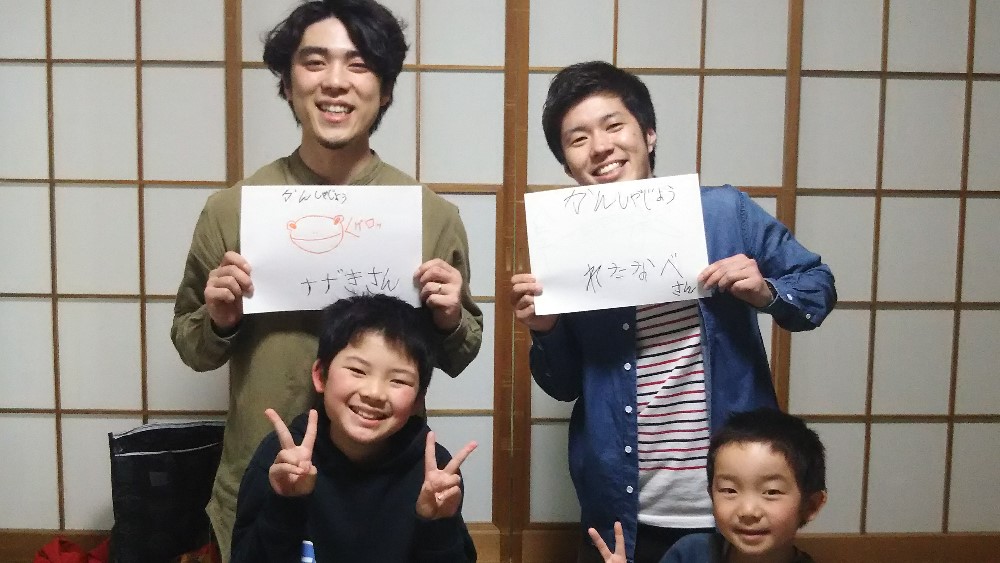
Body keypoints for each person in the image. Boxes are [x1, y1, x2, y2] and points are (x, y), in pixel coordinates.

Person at [171, 1, 483, 559]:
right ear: (288, 84)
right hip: (267, 471)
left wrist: (449, 317)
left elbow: (459, 354)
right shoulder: (233, 210)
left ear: (385, 90)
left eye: (358, 65)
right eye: (315, 62)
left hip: (388, 491)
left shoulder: (430, 216)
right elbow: (192, 348)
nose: (335, 82)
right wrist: (219, 320)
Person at [510, 61, 836, 563]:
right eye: (578, 139)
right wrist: (546, 329)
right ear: (568, 165)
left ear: (649, 133)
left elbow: (816, 289)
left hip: (732, 503)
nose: (600, 147)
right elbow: (564, 386)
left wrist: (765, 290)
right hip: (621, 507)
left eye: (613, 125)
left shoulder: (723, 213)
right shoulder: (566, 247)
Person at [231, 294, 478, 562]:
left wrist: (438, 526)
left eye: (398, 381)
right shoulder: (281, 459)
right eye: (358, 371)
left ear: (418, 399)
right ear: (320, 375)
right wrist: (284, 503)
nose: (374, 393)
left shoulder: (434, 472)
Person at [591, 409, 827, 563]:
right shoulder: (691, 554)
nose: (748, 510)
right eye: (729, 490)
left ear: (811, 505)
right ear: (711, 494)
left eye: (771, 492)